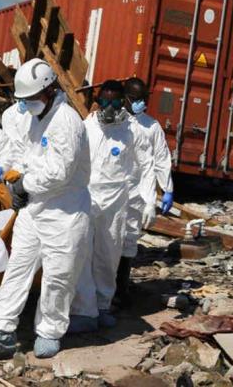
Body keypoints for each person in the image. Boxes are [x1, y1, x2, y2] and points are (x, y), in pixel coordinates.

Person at [0, 58, 91, 359]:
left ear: (50, 90)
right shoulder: (37, 118)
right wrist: (16, 184)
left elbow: (60, 173)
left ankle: (49, 331)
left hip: (64, 212)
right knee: (18, 267)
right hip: (35, 209)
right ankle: (0, 330)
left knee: (58, 276)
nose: (27, 104)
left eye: (32, 98)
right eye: (24, 99)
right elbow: (26, 156)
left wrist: (26, 185)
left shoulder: (66, 121)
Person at [69, 80, 155, 332]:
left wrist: (150, 200)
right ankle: (81, 309)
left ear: (122, 104)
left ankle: (103, 305)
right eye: (104, 102)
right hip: (87, 196)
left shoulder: (132, 131)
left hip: (116, 199)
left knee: (108, 255)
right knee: (81, 253)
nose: (109, 108)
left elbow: (147, 165)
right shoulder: (87, 127)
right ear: (97, 102)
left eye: (115, 103)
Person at [116, 78, 175, 304]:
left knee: (129, 240)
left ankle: (120, 290)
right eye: (136, 99)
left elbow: (161, 158)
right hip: (110, 189)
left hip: (137, 192)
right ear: (125, 98)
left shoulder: (151, 127)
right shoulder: (114, 121)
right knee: (104, 240)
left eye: (143, 99)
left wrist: (167, 188)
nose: (141, 103)